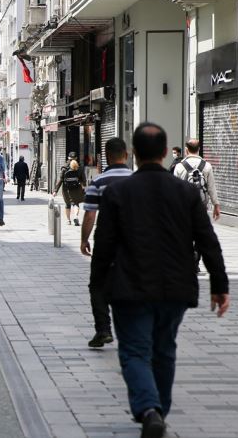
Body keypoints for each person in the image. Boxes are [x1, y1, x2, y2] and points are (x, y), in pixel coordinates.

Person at [90, 122, 229, 438]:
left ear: (133, 154)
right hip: (174, 289)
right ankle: (158, 412)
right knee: (164, 349)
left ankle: (149, 409)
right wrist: (220, 285)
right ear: (166, 153)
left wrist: (97, 282)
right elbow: (207, 240)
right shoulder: (186, 192)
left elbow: (105, 243)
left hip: (130, 287)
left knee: (135, 352)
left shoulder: (118, 193)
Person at [80, 138, 133, 348]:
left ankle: (103, 330)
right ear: (126, 155)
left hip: (106, 242)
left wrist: (84, 239)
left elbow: (90, 215)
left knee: (98, 286)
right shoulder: (137, 180)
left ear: (107, 157)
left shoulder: (98, 182)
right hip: (134, 242)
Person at [173, 139, 221, 221]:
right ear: (199, 149)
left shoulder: (179, 166)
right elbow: (211, 188)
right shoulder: (207, 166)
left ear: (186, 150)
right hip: (201, 208)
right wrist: (216, 205)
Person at [53, 159, 86, 226]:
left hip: (66, 190)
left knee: (68, 205)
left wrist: (55, 191)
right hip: (76, 189)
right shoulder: (79, 168)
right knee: (75, 204)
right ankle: (76, 216)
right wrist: (84, 187)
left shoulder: (64, 168)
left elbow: (60, 180)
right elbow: (83, 180)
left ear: (68, 158)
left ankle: (68, 220)